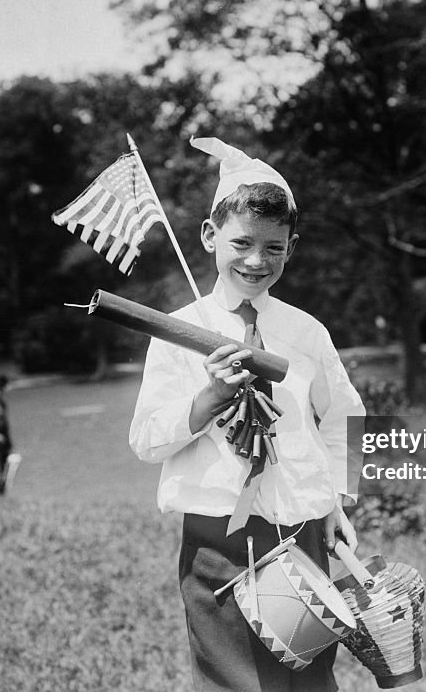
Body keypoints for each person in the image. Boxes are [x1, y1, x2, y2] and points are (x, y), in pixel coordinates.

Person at [129, 137, 366, 692]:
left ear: (291, 247)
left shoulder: (306, 332)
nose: (257, 260)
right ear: (210, 237)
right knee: (234, 682)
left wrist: (335, 501)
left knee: (307, 678)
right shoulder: (176, 331)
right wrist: (209, 397)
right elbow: (146, 440)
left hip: (301, 531)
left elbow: (342, 419)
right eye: (242, 242)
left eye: (275, 247)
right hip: (218, 543)